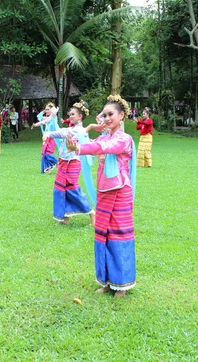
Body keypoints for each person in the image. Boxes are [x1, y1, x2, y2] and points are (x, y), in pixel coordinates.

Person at [66, 94, 137, 299]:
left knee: (119, 236)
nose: (106, 118)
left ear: (122, 115)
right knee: (103, 235)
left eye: (111, 114)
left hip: (120, 192)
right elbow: (98, 143)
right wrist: (101, 123)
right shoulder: (105, 136)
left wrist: (78, 148)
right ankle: (107, 281)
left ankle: (121, 284)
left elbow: (101, 147)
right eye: (104, 115)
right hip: (104, 192)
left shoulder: (124, 139)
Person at [43, 101, 96, 225]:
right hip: (63, 162)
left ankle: (91, 212)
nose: (70, 116)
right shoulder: (71, 128)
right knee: (60, 188)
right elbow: (61, 131)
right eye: (70, 114)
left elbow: (62, 133)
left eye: (73, 114)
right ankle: (64, 218)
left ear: (80, 116)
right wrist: (53, 120)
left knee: (72, 188)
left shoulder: (79, 130)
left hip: (73, 162)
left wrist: (48, 133)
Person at [32, 103, 59, 173]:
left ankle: (57, 162)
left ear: (52, 110)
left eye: (48, 109)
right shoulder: (47, 118)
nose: (46, 111)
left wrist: (53, 112)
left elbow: (44, 120)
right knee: (43, 153)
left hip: (52, 138)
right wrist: (34, 125)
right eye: (46, 109)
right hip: (46, 138)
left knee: (48, 153)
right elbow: (41, 120)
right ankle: (46, 169)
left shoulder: (53, 118)